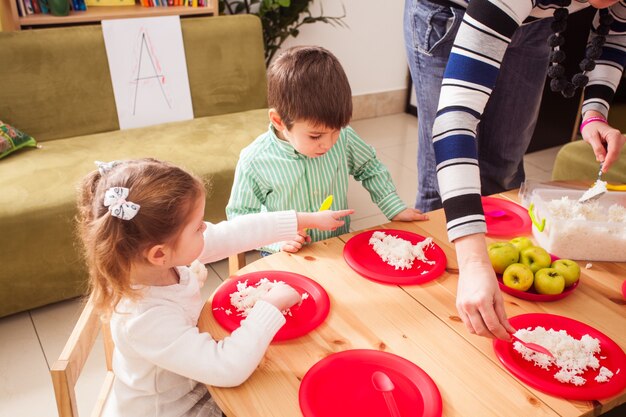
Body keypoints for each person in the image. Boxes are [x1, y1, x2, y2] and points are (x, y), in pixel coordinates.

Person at [405, 0, 626, 340]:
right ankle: (437, 316)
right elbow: (454, 122)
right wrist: (475, 263)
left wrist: (594, 110)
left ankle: (486, 300)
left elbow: (616, 32)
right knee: (440, 183)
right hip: (450, 12)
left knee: (504, 172)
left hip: (536, 24)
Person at [76, 158, 353, 417]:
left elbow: (232, 233)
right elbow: (227, 368)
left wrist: (305, 219)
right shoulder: (144, 318)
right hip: (175, 408)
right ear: (159, 254)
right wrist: (270, 305)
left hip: (193, 377)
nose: (207, 229)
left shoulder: (156, 261)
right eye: (198, 227)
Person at [226, 45, 428, 254]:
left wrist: (394, 207)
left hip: (337, 246)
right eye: (315, 136)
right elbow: (239, 218)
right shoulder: (254, 161)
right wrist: (277, 242)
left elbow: (369, 167)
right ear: (279, 121)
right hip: (284, 255)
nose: (329, 143)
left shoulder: (345, 138)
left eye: (336, 131)